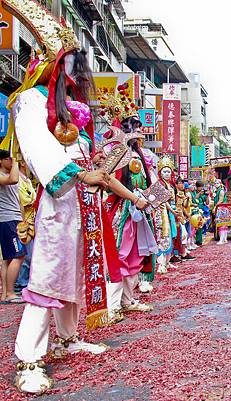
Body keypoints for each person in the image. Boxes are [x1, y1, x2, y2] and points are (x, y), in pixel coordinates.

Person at [2, 3, 121, 392]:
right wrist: (81, 173)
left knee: (72, 270)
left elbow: (76, 149)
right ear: (52, 62)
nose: (75, 71)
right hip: (56, 199)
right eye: (69, 61)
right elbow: (38, 148)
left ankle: (68, 337)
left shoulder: (69, 108)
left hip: (78, 199)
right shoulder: (32, 100)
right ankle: (29, 357)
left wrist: (95, 165)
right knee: (48, 272)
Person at [99, 93, 156, 315]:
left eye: (138, 125)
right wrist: (134, 198)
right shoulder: (113, 150)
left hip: (138, 212)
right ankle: (111, 306)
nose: (138, 130)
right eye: (133, 125)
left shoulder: (139, 154)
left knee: (135, 257)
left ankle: (127, 300)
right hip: (121, 210)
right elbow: (108, 179)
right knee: (118, 255)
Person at [0, 150, 25, 304]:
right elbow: (14, 179)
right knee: (18, 255)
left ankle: (5, 293)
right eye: (8, 159)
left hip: (14, 219)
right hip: (7, 219)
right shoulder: (3, 175)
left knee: (8, 259)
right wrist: (16, 160)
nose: (11, 161)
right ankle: (10, 293)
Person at [14, 162, 36, 294]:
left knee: (30, 253)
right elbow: (25, 200)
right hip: (23, 220)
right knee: (25, 255)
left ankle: (25, 281)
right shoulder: (18, 180)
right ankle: (20, 283)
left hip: (31, 220)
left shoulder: (26, 179)